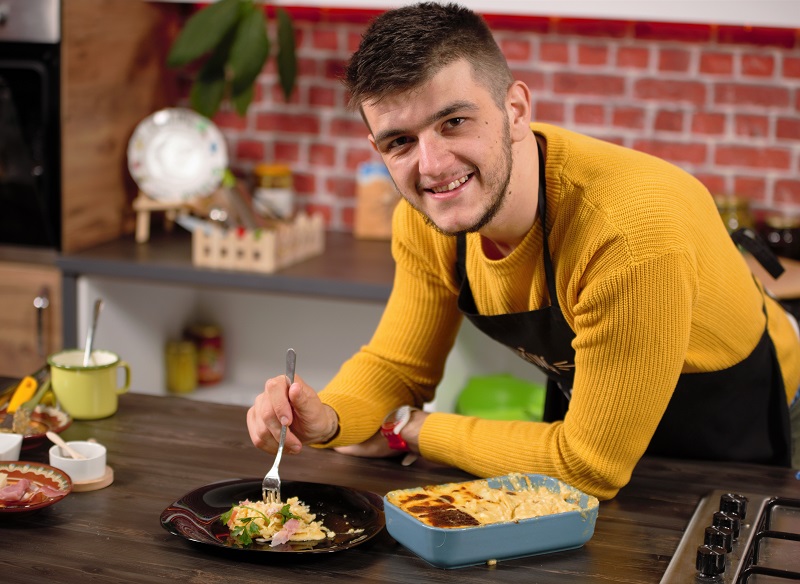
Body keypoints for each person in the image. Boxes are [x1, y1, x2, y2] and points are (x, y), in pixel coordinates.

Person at [247, 1, 800, 500]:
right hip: (596, 420)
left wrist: (406, 429)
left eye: (454, 122)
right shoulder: (425, 218)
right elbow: (399, 364)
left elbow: (587, 466)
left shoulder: (629, 232)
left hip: (751, 421)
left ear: (515, 109)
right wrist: (328, 418)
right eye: (401, 142)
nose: (432, 166)